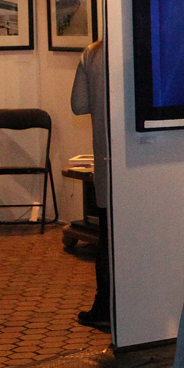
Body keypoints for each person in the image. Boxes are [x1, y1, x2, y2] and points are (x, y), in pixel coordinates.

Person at [70, 38, 110, 332]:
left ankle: (104, 307)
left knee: (107, 241)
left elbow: (79, 104)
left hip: (107, 163)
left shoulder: (92, 53)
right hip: (145, 166)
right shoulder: (146, 47)